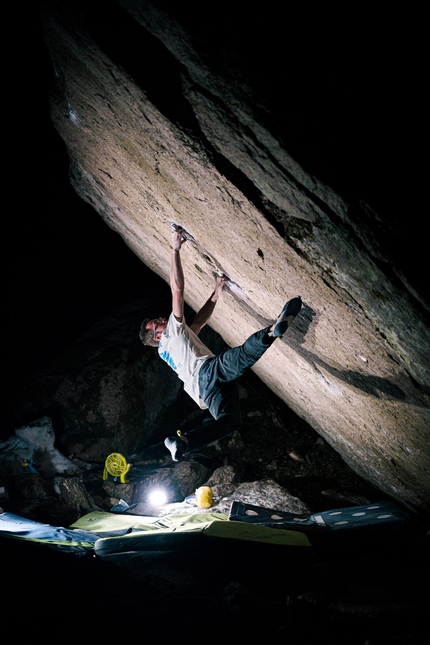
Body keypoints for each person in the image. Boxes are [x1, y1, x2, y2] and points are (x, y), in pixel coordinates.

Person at [140, 228, 302, 461]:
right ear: (157, 337)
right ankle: (271, 331)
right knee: (240, 358)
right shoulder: (170, 335)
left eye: (158, 319)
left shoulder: (169, 349)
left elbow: (198, 323)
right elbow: (177, 290)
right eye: (157, 323)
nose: (162, 319)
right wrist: (175, 249)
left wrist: (216, 294)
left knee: (230, 421)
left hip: (204, 393)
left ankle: (184, 442)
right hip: (207, 375)